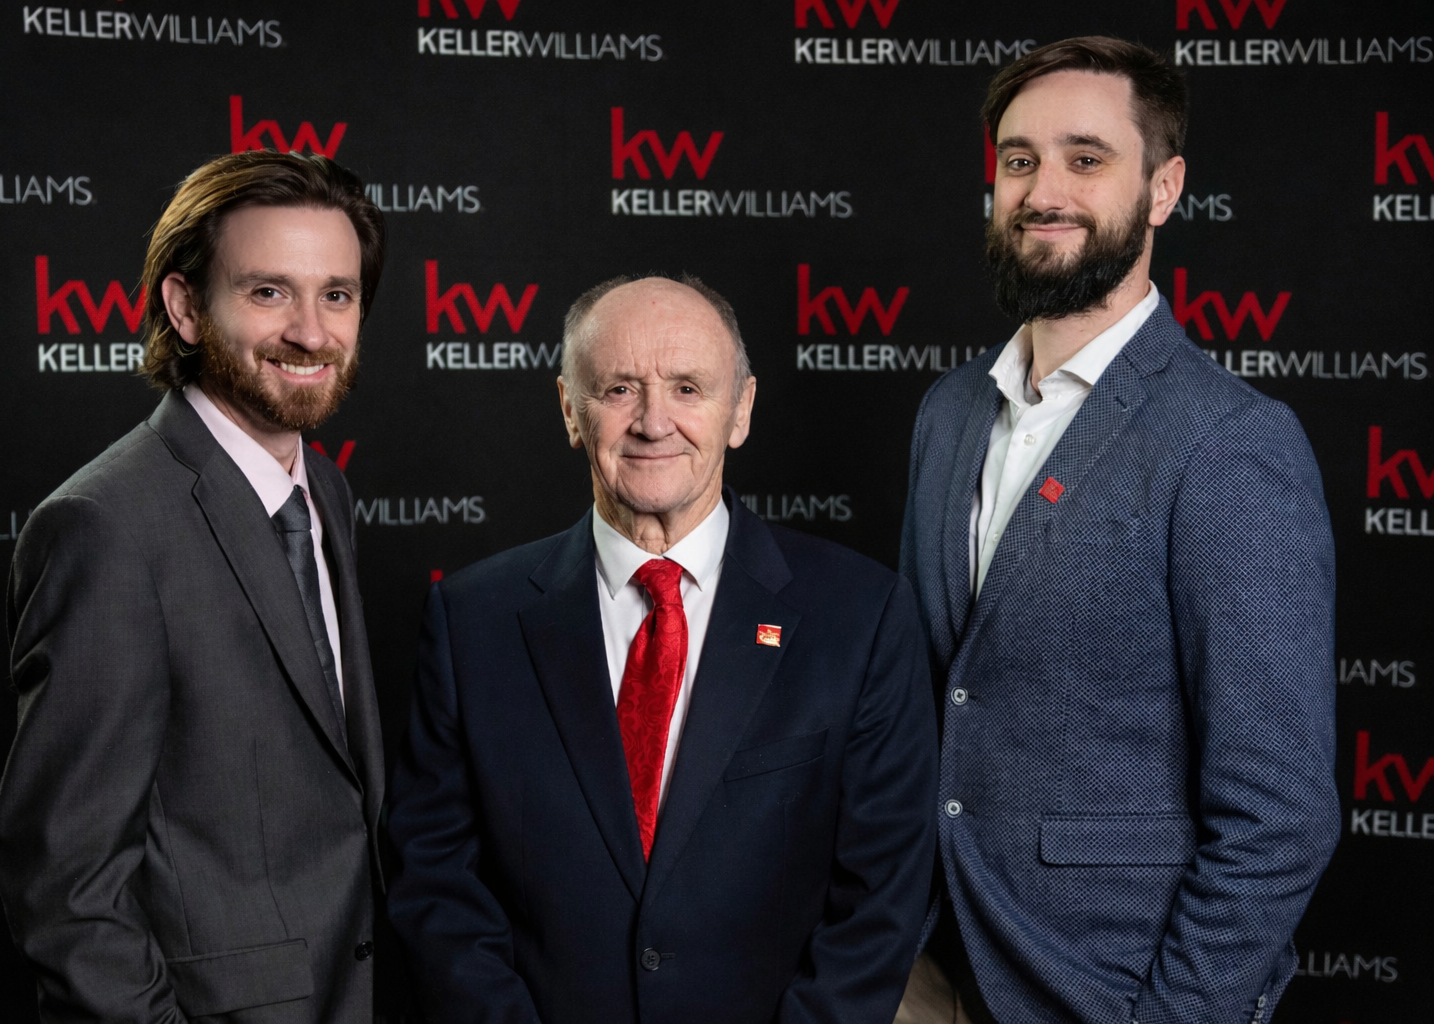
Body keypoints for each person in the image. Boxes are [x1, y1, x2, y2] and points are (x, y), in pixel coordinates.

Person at [896, 37, 1338, 1024]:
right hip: (927, 974)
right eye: (1020, 160)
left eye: (1085, 158)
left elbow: (1279, 819)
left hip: (1109, 992)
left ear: (1165, 187)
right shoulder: (951, 410)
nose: (1044, 189)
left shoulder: (1232, 444)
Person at [387, 275, 937, 1023]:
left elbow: (881, 897)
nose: (653, 422)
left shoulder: (860, 616)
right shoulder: (471, 619)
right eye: (618, 389)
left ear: (740, 409)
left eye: (687, 388)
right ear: (569, 411)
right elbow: (435, 883)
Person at [0, 151, 387, 1023]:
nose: (313, 332)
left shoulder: (324, 491)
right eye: (268, 292)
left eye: (338, 294)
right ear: (184, 308)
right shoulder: (105, 527)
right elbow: (65, 884)